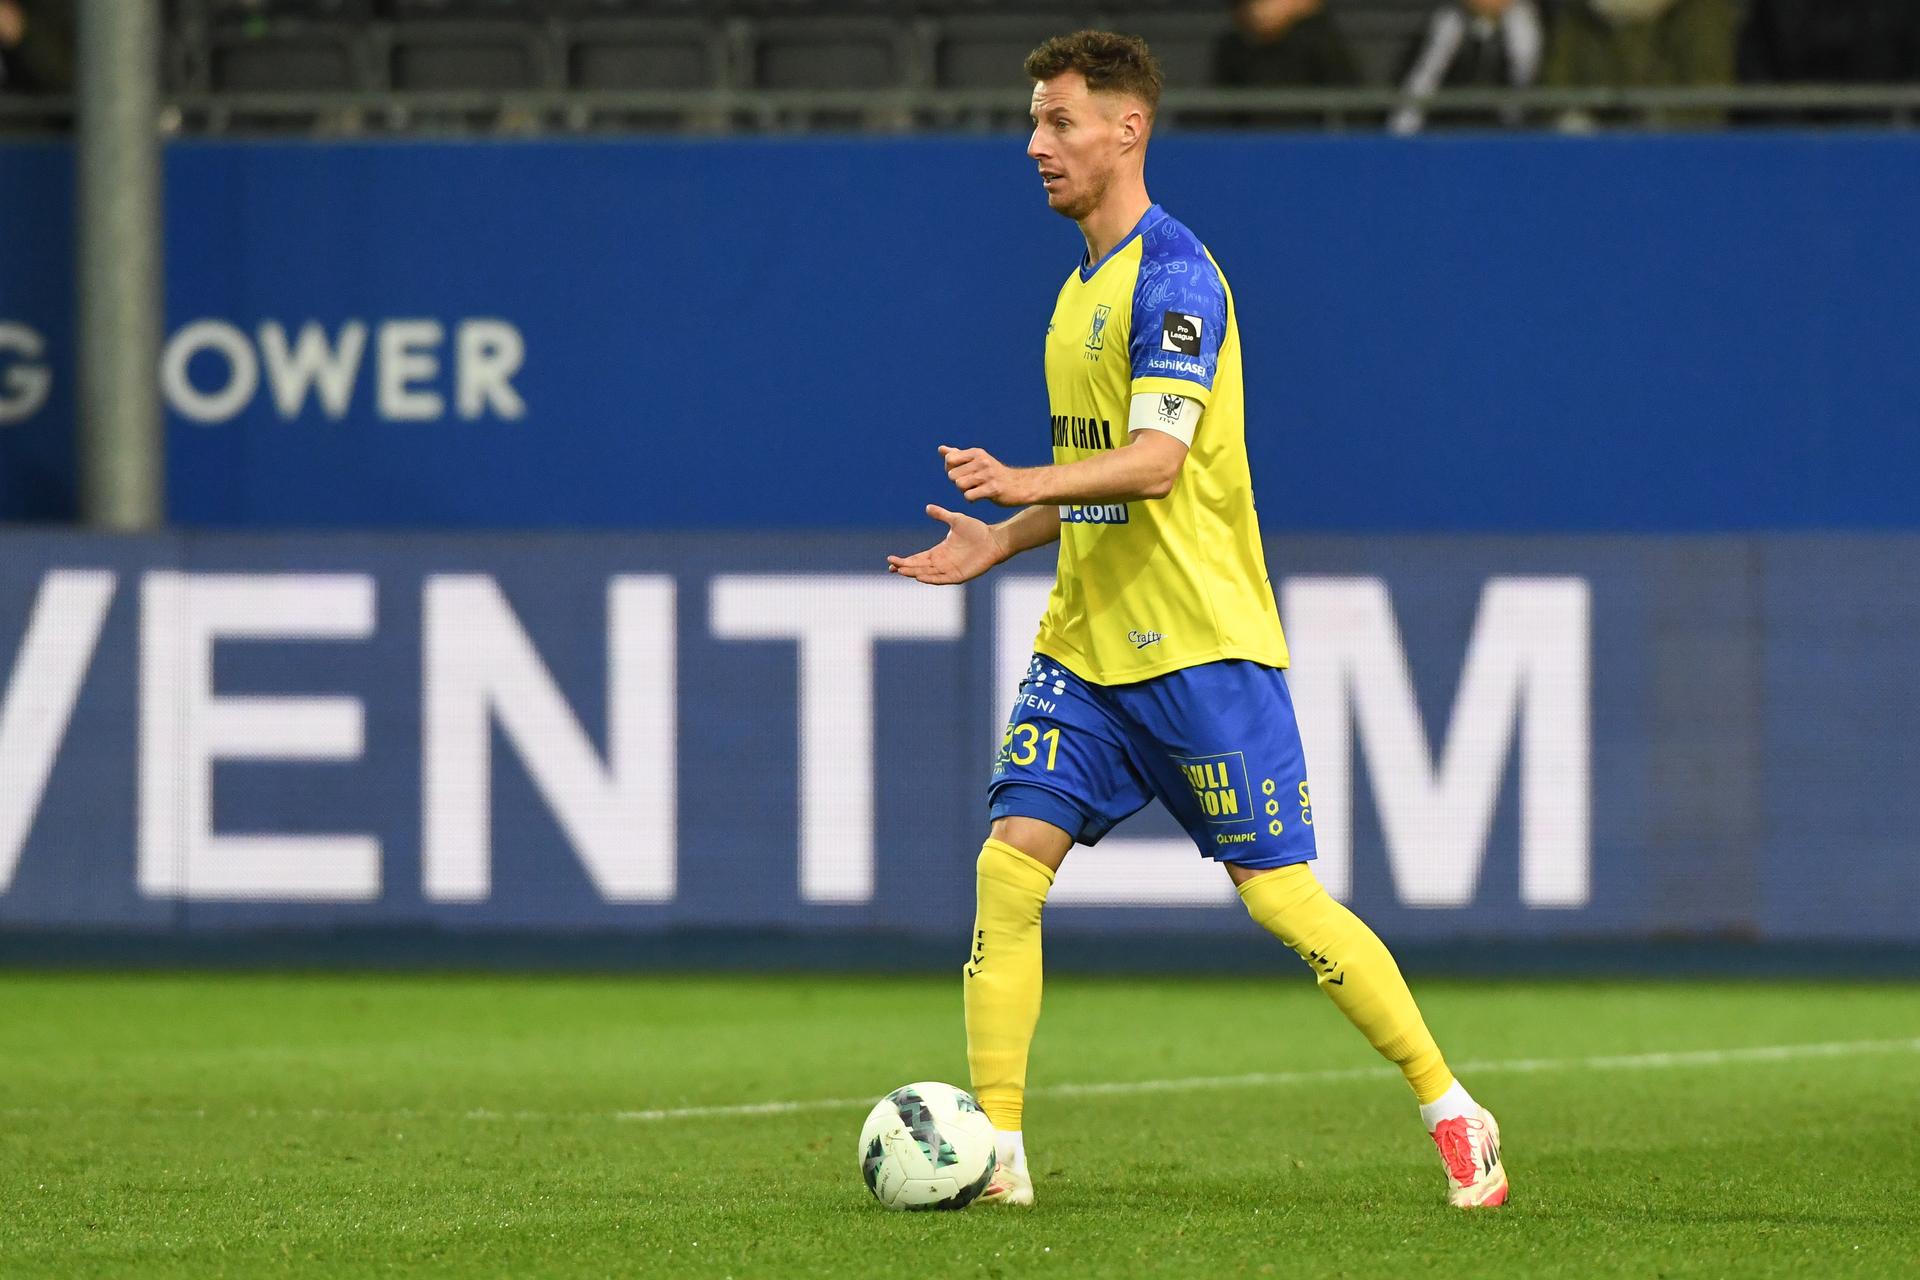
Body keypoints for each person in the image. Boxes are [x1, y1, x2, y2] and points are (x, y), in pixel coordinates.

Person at [886, 29, 1508, 1212]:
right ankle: (997, 1154)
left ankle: (1449, 1101)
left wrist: (1022, 485)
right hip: (1087, 640)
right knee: (1007, 869)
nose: (1035, 143)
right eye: (1033, 120)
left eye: (1059, 120)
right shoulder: (1076, 292)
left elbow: (1158, 463)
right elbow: (1096, 473)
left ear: (1129, 129)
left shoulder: (1173, 276)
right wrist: (1005, 539)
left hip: (1203, 650)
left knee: (1283, 899)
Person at [1543, 0, 1739, 127]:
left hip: (1673, 153)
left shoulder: (1701, 10)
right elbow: (1553, 90)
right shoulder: (1579, 12)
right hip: (1593, 155)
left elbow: (1707, 101)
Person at [1390, 0, 1547, 134]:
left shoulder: (1522, 22)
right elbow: (1422, 82)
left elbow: (1524, 85)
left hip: (1503, 132)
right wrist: (1400, 138)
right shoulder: (1449, 21)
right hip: (1447, 130)